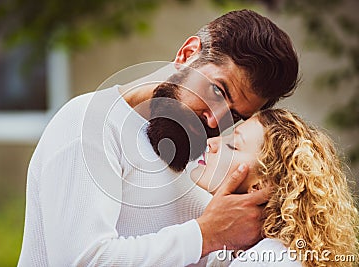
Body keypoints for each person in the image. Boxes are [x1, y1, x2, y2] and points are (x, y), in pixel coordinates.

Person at [18, 9, 299, 266]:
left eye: (234, 116)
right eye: (217, 91)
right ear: (187, 54)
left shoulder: (200, 158)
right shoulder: (88, 125)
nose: (215, 120)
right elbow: (80, 261)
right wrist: (206, 234)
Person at [191, 109, 359, 267]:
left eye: (233, 145)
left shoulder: (263, 261)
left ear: (260, 186)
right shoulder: (235, 251)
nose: (211, 142)